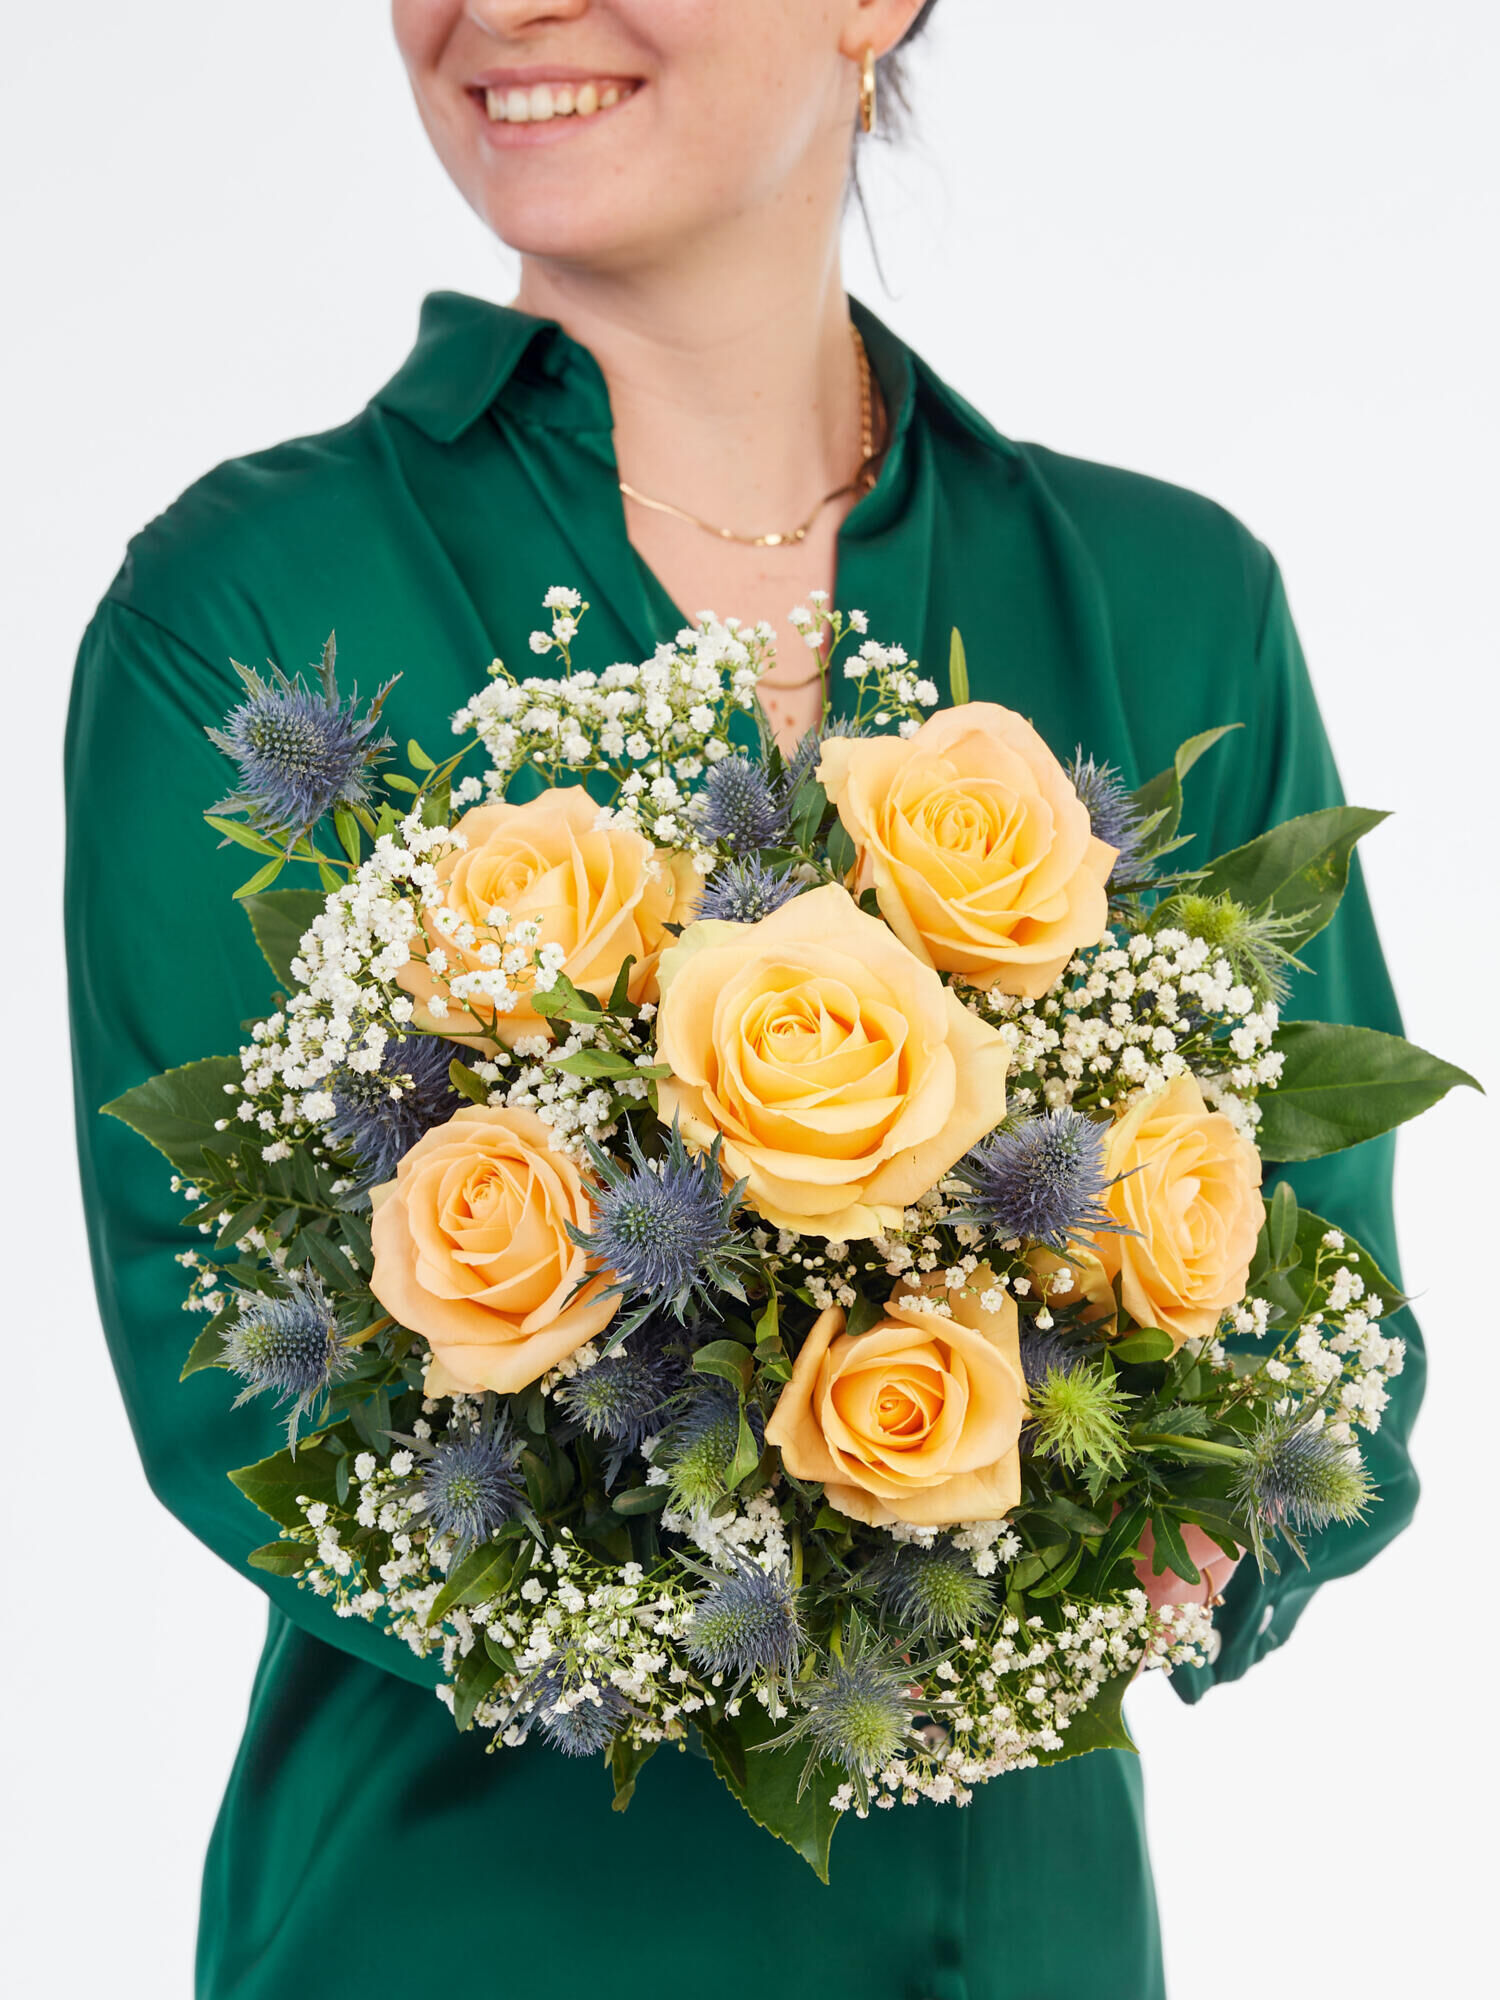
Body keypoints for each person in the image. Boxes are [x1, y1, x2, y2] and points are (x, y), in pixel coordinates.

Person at [65, 5, 1421, 1996]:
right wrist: (855, 1533)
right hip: (460, 1945)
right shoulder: (256, 614)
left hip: (1013, 1947)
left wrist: (1165, 1524)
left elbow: (1324, 1329)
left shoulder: (1168, 598)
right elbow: (229, 1367)